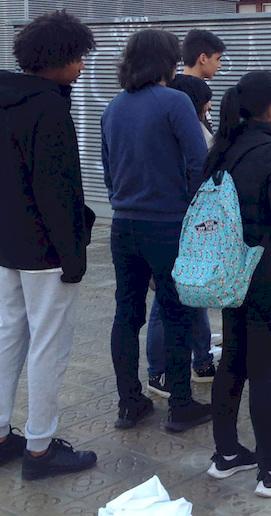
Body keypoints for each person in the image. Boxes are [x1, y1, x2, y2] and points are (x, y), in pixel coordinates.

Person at [0, 10, 98, 480]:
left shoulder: (3, 101)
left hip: (9, 243)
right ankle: (40, 448)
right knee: (49, 345)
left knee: (8, 334)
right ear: (58, 58)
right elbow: (57, 189)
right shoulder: (49, 108)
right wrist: (74, 255)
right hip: (46, 249)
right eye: (78, 57)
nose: (82, 66)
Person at [206, 71, 271, 497]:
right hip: (269, 276)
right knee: (266, 373)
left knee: (233, 360)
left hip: (232, 274)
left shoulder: (224, 149)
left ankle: (227, 453)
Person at [101, 29, 212, 433]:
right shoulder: (175, 102)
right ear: (167, 61)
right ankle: (180, 406)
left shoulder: (113, 107)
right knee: (176, 312)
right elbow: (199, 164)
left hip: (123, 224)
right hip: (168, 225)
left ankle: (129, 403)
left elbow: (108, 170)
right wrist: (194, 212)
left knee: (126, 314)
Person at [145, 74, 216, 398]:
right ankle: (158, 372)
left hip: (186, 226)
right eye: (206, 102)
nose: (209, 107)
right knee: (166, 299)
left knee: (192, 292)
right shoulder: (182, 129)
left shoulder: (176, 125)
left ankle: (201, 360)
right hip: (178, 225)